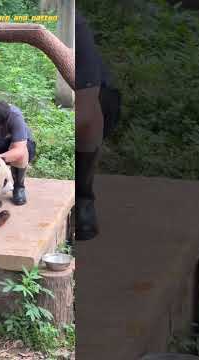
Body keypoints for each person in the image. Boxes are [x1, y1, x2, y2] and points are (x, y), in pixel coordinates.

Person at [75, 12, 121, 241]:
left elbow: (83, 113)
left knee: (90, 115)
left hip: (98, 102)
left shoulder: (76, 26)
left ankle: (83, 199)